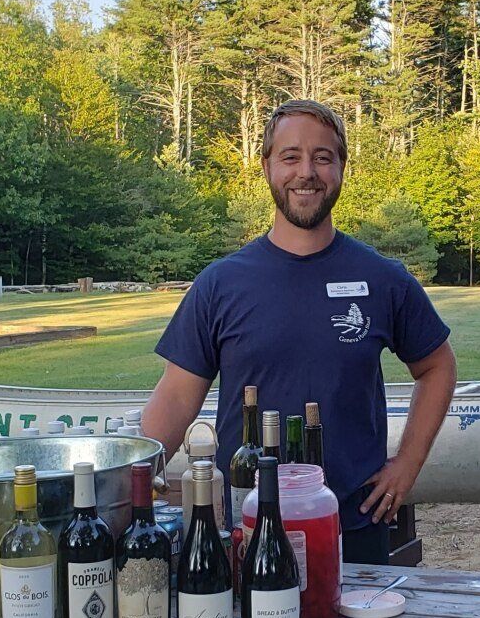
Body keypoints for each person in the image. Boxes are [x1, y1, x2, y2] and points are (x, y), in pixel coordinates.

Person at [141, 99, 458, 565]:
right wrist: (130, 482)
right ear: (267, 165)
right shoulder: (221, 284)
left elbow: (437, 366)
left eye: (322, 157)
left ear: (342, 168)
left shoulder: (382, 279)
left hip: (351, 526)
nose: (306, 172)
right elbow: (174, 400)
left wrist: (406, 467)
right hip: (246, 531)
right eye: (290, 157)